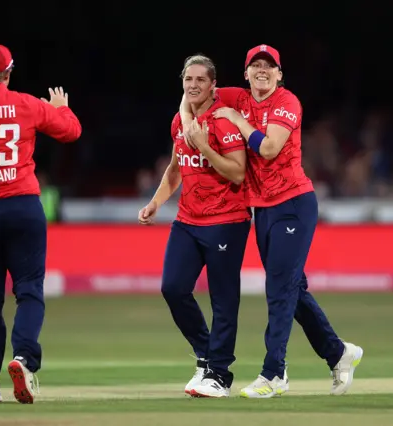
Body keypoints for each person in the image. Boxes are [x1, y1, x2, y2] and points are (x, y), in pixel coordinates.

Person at [180, 44, 363, 398]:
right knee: (293, 289)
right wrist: (189, 125)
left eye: (269, 66)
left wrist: (236, 120)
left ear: (279, 74)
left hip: (293, 203)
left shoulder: (287, 103)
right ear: (245, 73)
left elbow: (268, 148)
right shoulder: (237, 95)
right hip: (261, 208)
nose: (261, 71)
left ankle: (274, 373)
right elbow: (194, 91)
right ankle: (339, 353)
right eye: (255, 66)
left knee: (279, 288)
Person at [0, 43, 82, 404]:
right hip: (22, 208)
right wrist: (62, 108)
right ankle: (24, 357)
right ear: (9, 73)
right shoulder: (27, 104)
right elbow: (72, 131)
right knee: (29, 289)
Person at [138, 54, 251, 398]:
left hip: (226, 221)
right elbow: (175, 170)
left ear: (213, 84)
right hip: (187, 220)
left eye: (201, 79)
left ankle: (219, 374)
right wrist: (156, 201)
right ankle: (206, 354)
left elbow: (237, 172)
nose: (193, 85)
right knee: (172, 288)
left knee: (223, 299)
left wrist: (204, 145)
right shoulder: (180, 122)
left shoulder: (225, 123)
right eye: (189, 79)